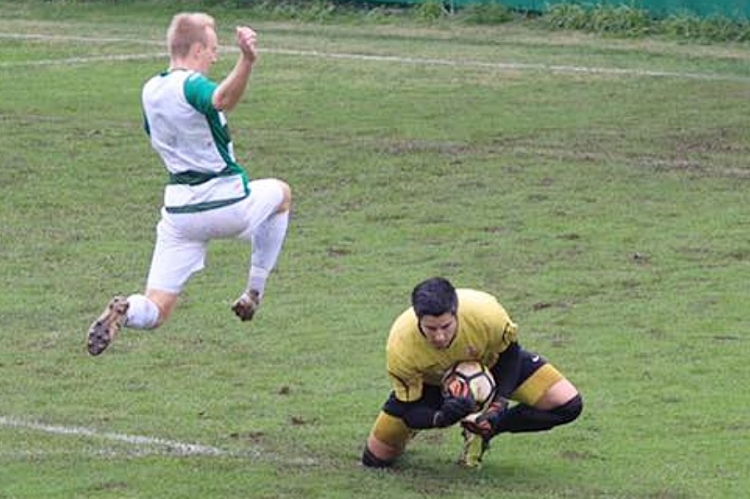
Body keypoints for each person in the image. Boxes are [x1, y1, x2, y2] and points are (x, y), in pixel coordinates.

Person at [86, 12, 291, 356]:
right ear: (196, 49)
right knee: (282, 194)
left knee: (156, 309)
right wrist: (247, 60)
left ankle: (125, 309)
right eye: (212, 49)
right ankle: (253, 292)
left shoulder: (150, 90)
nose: (214, 56)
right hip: (227, 204)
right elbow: (222, 99)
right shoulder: (191, 84)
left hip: (180, 214)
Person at [361, 277, 582, 468]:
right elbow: (409, 408)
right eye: (431, 329)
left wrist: (498, 405)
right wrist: (438, 418)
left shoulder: (486, 313)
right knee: (375, 459)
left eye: (446, 327)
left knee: (568, 405)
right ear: (419, 319)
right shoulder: (401, 346)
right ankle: (427, 427)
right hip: (433, 385)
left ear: (456, 313)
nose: (439, 336)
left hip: (494, 367)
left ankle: (485, 429)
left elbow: (510, 354)